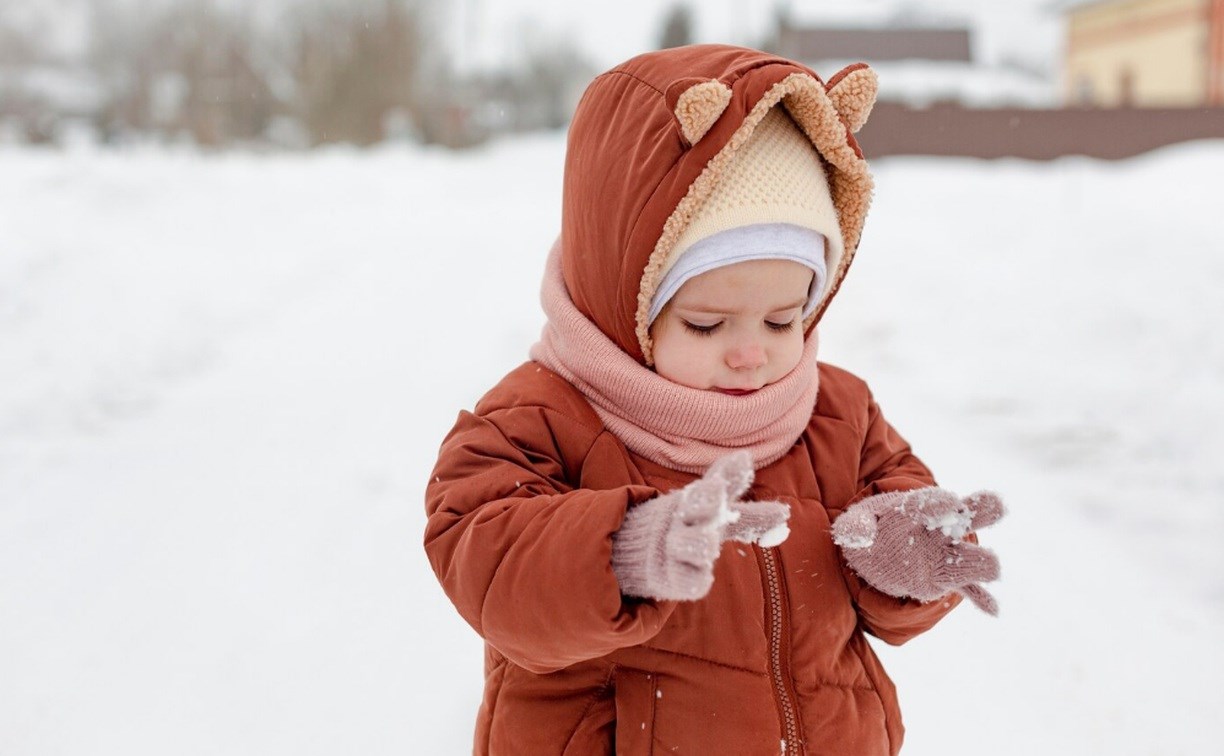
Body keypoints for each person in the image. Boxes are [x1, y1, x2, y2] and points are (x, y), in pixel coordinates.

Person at [424, 44, 1003, 755]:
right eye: (707, 323)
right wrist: (625, 551)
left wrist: (912, 562)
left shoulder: (837, 413)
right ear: (623, 299)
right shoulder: (538, 420)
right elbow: (488, 562)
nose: (752, 353)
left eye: (784, 318)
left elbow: (900, 502)